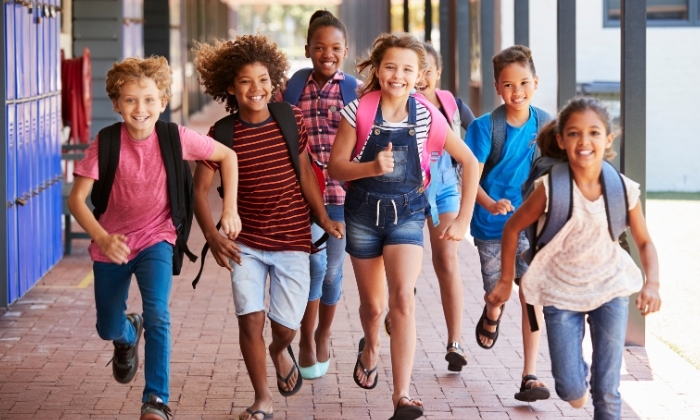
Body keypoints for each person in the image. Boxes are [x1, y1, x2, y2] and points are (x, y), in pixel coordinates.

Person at [68, 56, 241, 420]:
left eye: (149, 100)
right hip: (111, 244)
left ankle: (156, 400)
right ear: (116, 104)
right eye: (130, 100)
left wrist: (230, 209)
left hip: (156, 238)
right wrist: (102, 237)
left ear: (163, 101)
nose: (140, 109)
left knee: (159, 314)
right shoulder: (107, 143)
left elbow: (228, 156)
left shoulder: (174, 137)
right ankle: (127, 332)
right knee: (106, 327)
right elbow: (76, 200)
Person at [192, 34, 344, 420]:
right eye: (245, 81)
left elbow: (307, 172)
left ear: (273, 82)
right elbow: (199, 192)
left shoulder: (289, 119)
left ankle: (280, 351)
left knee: (285, 329)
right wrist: (212, 236)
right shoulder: (222, 134)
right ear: (230, 86)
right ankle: (262, 399)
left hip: (293, 239)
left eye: (262, 79)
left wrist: (323, 216)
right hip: (245, 243)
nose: (255, 89)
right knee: (250, 319)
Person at [328, 33, 479, 420]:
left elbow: (471, 161)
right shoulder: (357, 111)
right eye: (391, 67)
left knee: (403, 301)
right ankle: (371, 345)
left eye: (408, 69)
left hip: (409, 213)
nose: (398, 75)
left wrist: (463, 219)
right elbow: (336, 167)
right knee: (374, 306)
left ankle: (402, 395)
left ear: (420, 75)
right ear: (378, 70)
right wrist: (371, 168)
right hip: (362, 215)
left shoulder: (427, 115)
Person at [487, 96, 662, 419]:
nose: (584, 141)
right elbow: (512, 228)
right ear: (560, 140)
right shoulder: (550, 188)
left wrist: (652, 283)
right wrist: (504, 279)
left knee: (607, 389)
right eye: (574, 133)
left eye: (594, 133)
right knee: (569, 387)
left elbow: (645, 241)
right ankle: (575, 383)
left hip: (610, 291)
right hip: (560, 293)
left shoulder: (623, 189)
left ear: (608, 139)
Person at [465, 45, 551, 402]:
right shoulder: (486, 128)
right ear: (497, 88)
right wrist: (489, 203)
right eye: (508, 85)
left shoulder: (547, 125)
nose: (518, 92)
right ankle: (491, 312)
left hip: (530, 227)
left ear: (536, 82)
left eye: (524, 83)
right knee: (497, 292)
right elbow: (468, 175)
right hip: (491, 227)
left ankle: (530, 375)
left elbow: (553, 173)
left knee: (531, 296)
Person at [384, 42, 475, 373]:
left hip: (445, 190)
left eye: (426, 71)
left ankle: (455, 341)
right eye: (413, 70)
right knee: (404, 265)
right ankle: (399, 304)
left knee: (447, 259)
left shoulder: (453, 106)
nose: (420, 77)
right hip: (406, 192)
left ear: (437, 73)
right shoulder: (398, 105)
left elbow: (476, 146)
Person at [278, 10, 356, 380]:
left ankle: (324, 331)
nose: (328, 53)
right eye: (320, 47)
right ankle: (307, 336)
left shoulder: (354, 91)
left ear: (346, 50)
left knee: (333, 272)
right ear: (308, 49)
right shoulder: (293, 88)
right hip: (304, 196)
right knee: (315, 265)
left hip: (344, 198)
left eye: (336, 47)